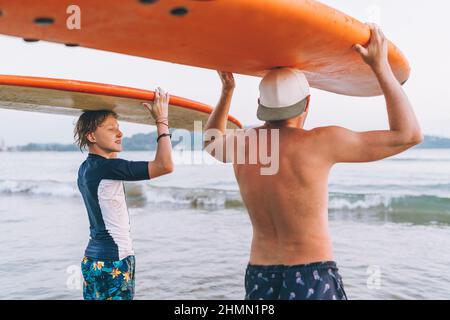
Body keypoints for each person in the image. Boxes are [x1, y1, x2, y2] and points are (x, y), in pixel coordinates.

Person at [204, 24, 423, 300]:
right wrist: (381, 68)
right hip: (310, 274)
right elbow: (408, 135)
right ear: (307, 103)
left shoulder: (243, 145)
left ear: (262, 105)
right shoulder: (320, 142)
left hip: (260, 274)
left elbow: (212, 142)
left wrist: (227, 91)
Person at [74, 88, 174, 300]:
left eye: (118, 128)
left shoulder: (86, 168)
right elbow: (165, 165)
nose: (120, 133)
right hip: (114, 261)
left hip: (92, 261)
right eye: (111, 129)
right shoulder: (107, 168)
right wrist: (162, 121)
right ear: (91, 136)